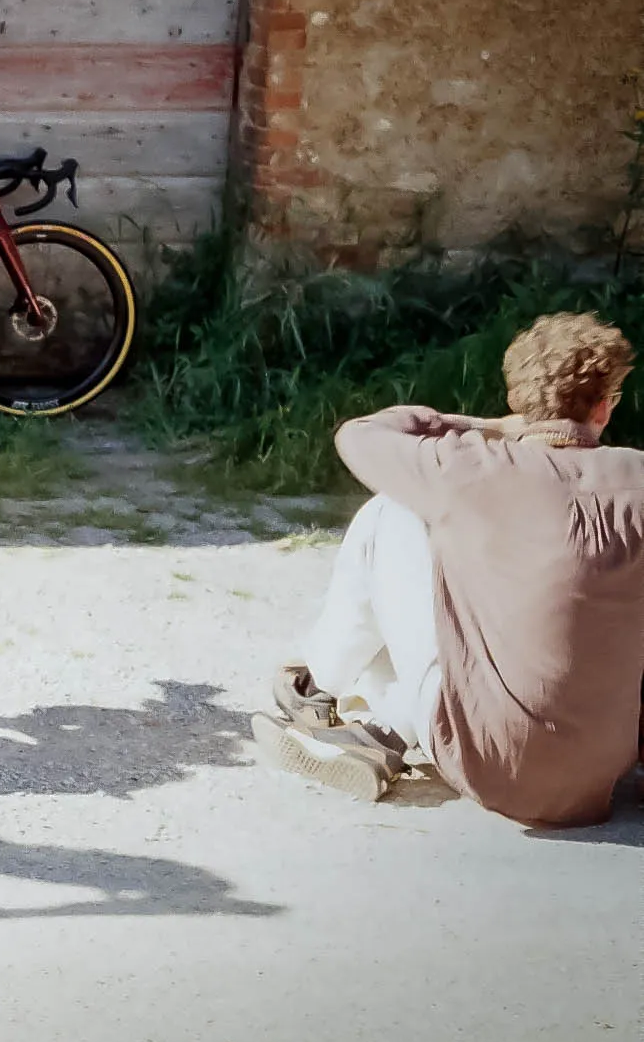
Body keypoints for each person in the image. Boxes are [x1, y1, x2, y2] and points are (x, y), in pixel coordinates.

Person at [254, 312, 644, 825]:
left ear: (517, 401)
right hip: (604, 771)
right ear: (605, 406)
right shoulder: (636, 475)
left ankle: (329, 690)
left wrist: (485, 426)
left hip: (487, 762)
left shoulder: (471, 468)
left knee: (389, 513)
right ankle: (379, 724)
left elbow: (359, 435)